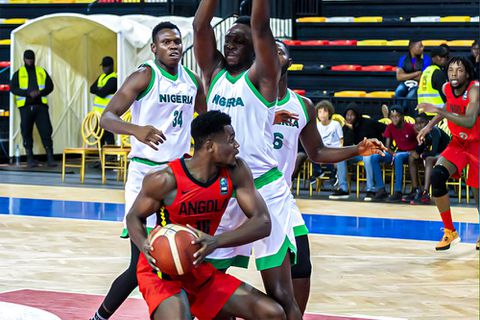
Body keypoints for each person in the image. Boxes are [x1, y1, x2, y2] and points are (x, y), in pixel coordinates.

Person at [194, 1, 304, 317]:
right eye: (228, 39)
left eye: (239, 41)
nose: (230, 45)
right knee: (210, 285)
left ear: (255, 50)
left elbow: (260, 26)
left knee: (282, 294)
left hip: (264, 189)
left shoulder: (262, 76)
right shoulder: (213, 73)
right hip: (225, 186)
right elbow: (200, 27)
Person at [89, 22, 206, 320]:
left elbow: (205, 123)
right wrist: (136, 129)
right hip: (144, 175)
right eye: (166, 42)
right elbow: (107, 117)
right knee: (141, 260)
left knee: (179, 256)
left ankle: (183, 313)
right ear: (154, 48)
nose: (174, 46)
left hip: (178, 177)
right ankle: (100, 316)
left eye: (177, 41)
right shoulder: (145, 76)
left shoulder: (192, 81)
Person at [127, 111, 286, 320]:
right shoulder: (165, 179)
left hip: (197, 270)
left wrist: (215, 242)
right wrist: (144, 244)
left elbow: (263, 222)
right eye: (231, 140)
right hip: (161, 271)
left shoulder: (236, 170)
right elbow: (133, 217)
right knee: (180, 316)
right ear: (210, 146)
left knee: (273, 314)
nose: (237, 146)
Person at [272, 40, 386, 314]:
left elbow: (318, 152)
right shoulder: (242, 95)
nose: (272, 54)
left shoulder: (303, 105)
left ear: (289, 61)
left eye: (279, 51)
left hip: (278, 196)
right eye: (266, 48)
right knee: (216, 264)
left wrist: (356, 149)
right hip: (237, 193)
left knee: (301, 265)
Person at [417, 56, 479, 251]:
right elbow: (447, 107)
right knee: (437, 175)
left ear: (467, 74)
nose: (454, 73)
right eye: (451, 69)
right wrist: (428, 125)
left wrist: (439, 112)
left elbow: (469, 121)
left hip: (477, 144)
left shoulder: (475, 89)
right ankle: (450, 231)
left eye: (459, 70)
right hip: (458, 143)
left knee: (478, 194)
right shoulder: (445, 88)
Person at [10, 49, 55, 167]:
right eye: (27, 59)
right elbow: (13, 88)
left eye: (31, 59)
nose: (30, 61)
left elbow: (50, 86)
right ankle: (30, 158)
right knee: (26, 132)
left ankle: (50, 157)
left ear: (34, 59)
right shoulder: (18, 73)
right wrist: (27, 93)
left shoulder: (41, 71)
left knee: (46, 131)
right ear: (24, 59)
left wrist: (40, 92)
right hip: (25, 107)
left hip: (40, 106)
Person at [337, 103, 387, 201]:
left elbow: (386, 128)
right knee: (340, 157)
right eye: (347, 115)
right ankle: (343, 189)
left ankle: (370, 189)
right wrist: (350, 130)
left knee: (367, 157)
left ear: (357, 115)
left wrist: (384, 144)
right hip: (358, 153)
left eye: (352, 115)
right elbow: (347, 145)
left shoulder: (368, 123)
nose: (349, 117)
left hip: (372, 152)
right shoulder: (346, 127)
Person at [370, 106, 418, 202]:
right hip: (398, 152)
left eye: (397, 116)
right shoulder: (390, 127)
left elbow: (419, 141)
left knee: (398, 157)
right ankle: (381, 189)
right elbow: (387, 147)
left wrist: (415, 151)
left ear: (402, 117)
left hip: (409, 153)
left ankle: (398, 191)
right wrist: (393, 153)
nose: (394, 119)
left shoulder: (410, 127)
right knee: (374, 157)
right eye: (392, 116)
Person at [406, 113, 450, 204]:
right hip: (438, 153)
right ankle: (416, 189)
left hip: (448, 152)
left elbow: (433, 152)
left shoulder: (434, 131)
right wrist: (419, 139)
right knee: (411, 157)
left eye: (422, 122)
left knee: (429, 159)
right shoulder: (422, 133)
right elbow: (418, 151)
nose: (419, 125)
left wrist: (422, 155)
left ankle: (425, 192)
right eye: (417, 123)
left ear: (428, 122)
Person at [314, 100, 347, 197]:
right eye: (319, 112)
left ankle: (333, 174)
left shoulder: (335, 124)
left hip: (335, 150)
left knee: (338, 158)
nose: (322, 114)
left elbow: (341, 140)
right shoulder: (316, 126)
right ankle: (322, 172)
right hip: (323, 151)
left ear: (330, 113)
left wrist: (339, 152)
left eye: (325, 111)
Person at [395, 40, 432, 112]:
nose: (423, 48)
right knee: (398, 91)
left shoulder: (426, 59)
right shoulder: (403, 59)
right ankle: (396, 112)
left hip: (418, 85)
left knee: (409, 97)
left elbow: (422, 77)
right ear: (411, 47)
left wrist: (406, 75)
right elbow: (399, 77)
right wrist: (416, 73)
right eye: (420, 46)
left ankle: (402, 113)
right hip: (405, 83)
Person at [90, 56, 117, 145]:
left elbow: (103, 93)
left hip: (107, 112)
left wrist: (99, 89)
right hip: (98, 113)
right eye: (103, 66)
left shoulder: (114, 78)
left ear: (112, 66)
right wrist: (100, 89)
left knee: (108, 134)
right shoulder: (102, 77)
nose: (104, 68)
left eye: (106, 66)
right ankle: (101, 155)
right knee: (98, 134)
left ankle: (111, 154)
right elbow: (91, 89)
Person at [417, 45, 449, 116]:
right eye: (444, 57)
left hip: (423, 114)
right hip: (436, 115)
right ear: (436, 58)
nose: (446, 59)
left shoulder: (426, 71)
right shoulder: (437, 73)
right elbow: (446, 97)